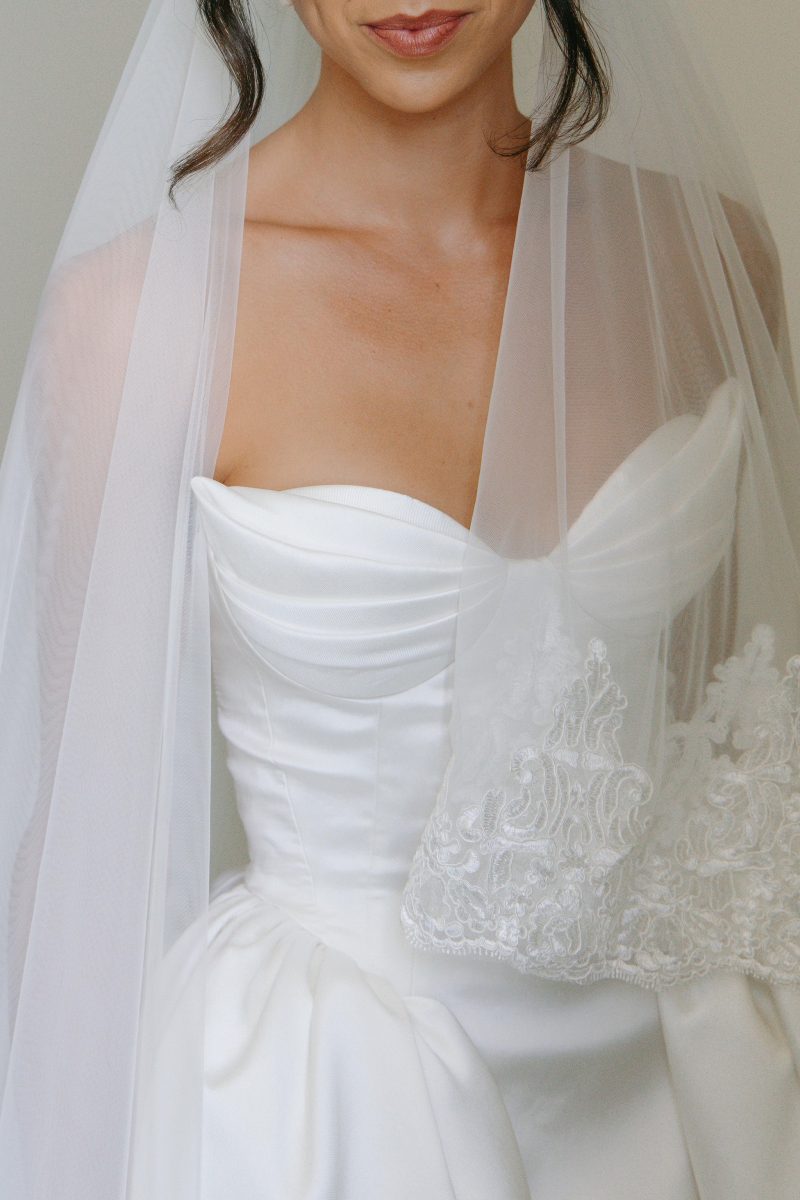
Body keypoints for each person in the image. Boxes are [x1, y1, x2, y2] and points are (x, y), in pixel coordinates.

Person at [1, 2, 799, 1198]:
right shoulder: (136, 316)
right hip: (325, 1113)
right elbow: (74, 874)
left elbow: (729, 752)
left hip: (670, 1093)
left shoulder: (703, 259)